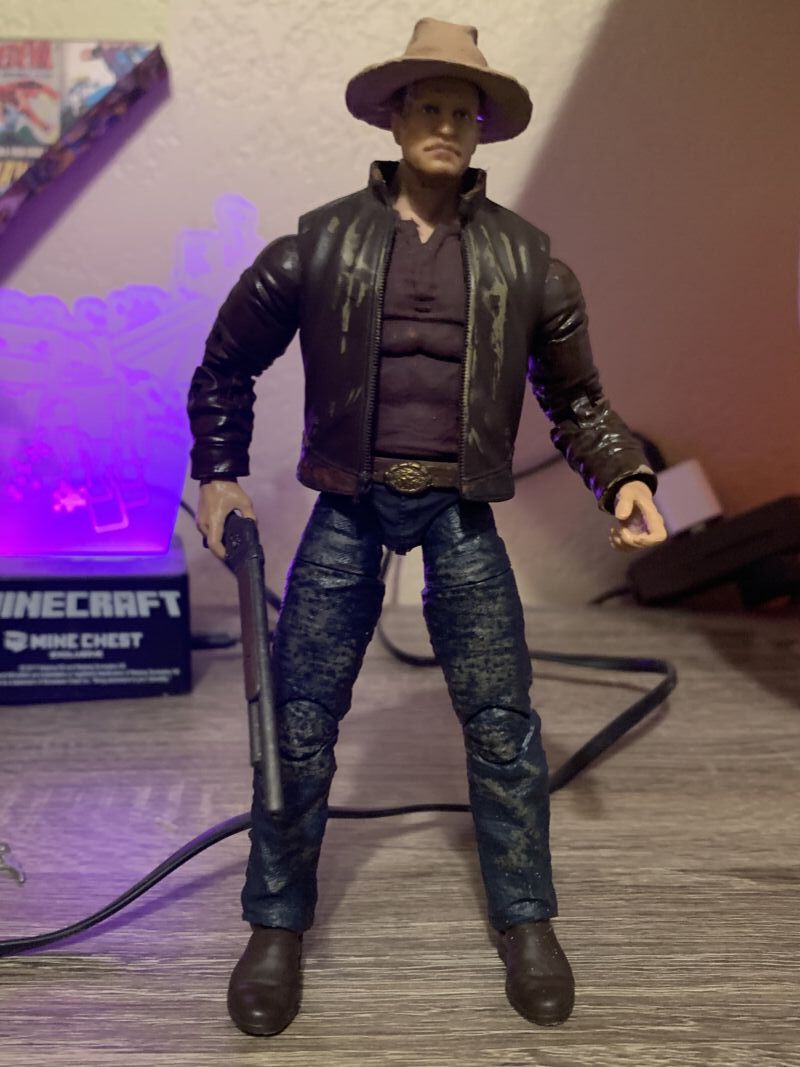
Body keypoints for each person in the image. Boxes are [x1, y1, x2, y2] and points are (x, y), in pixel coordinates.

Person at [187, 17, 667, 1037]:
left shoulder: (527, 262)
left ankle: (525, 916)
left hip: (458, 508)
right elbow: (225, 363)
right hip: (349, 504)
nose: (446, 124)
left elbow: (578, 400)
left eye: (463, 110)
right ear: (396, 118)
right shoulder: (317, 246)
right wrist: (218, 473)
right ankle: (275, 920)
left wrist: (623, 476)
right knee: (297, 719)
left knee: (501, 722)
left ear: (481, 129)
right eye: (429, 106)